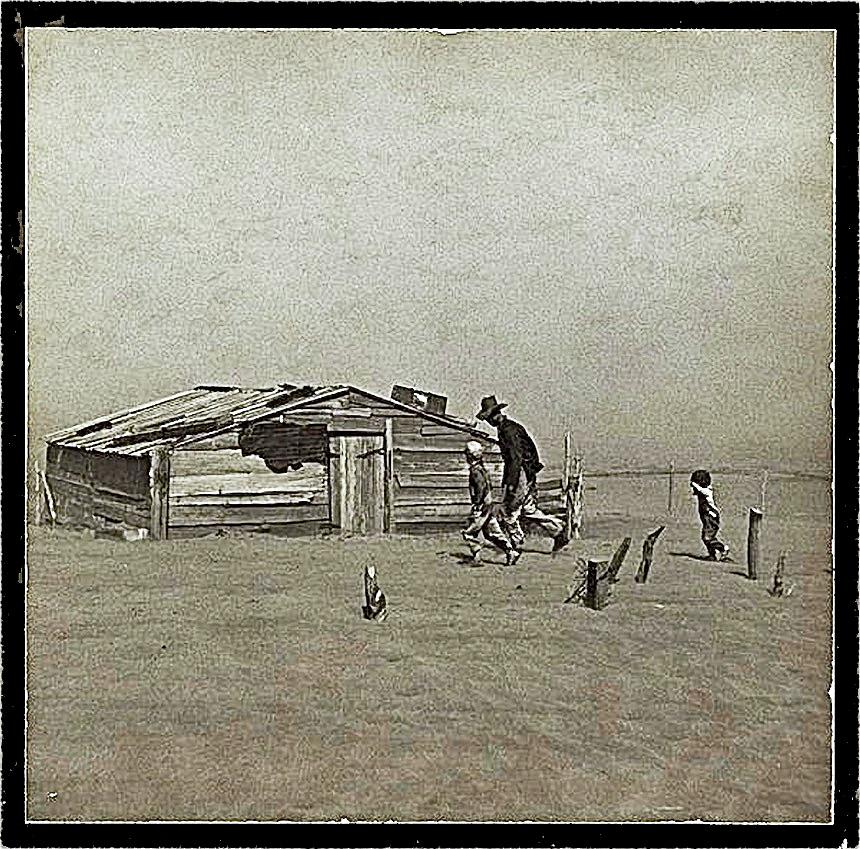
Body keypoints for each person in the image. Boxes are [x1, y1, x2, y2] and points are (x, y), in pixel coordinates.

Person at [475, 395, 570, 563]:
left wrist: (511, 485)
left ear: (494, 415)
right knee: (528, 510)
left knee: (509, 511)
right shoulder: (508, 428)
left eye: (488, 418)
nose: (488, 422)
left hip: (520, 474)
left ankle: (515, 545)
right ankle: (558, 531)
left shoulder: (508, 431)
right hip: (524, 472)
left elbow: (515, 459)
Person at [461, 440, 514, 562]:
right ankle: (511, 552)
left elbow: (480, 487)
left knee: (469, 532)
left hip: (482, 505)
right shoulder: (481, 469)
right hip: (488, 503)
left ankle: (476, 557)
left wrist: (478, 503)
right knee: (492, 532)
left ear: (470, 455)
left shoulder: (475, 471)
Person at [690, 469, 730, 561]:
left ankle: (723, 548)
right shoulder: (701, 492)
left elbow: (701, 490)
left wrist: (694, 484)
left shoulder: (707, 491)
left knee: (707, 537)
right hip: (706, 517)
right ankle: (713, 554)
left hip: (711, 517)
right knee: (706, 537)